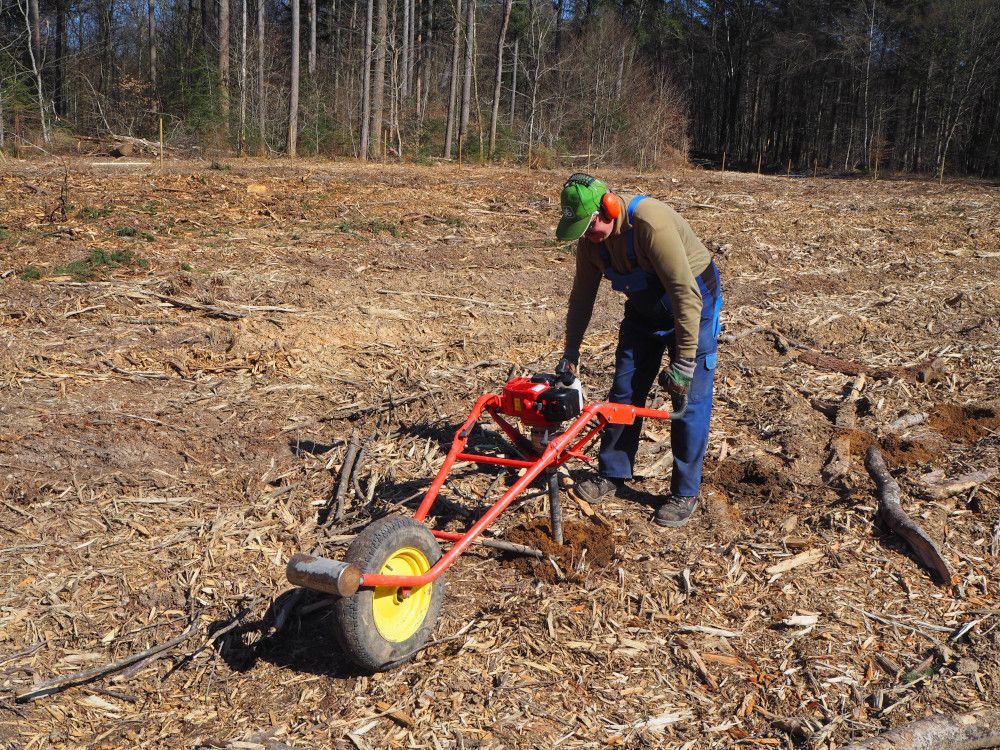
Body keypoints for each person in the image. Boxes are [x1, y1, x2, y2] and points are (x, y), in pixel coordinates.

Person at [553, 173, 722, 527]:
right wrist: (571, 352)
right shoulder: (591, 243)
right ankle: (613, 472)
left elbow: (684, 295)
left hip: (693, 305)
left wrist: (685, 362)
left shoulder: (650, 225)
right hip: (643, 311)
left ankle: (684, 492)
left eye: (589, 226)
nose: (585, 236)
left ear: (609, 208)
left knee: (687, 400)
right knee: (623, 392)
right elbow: (582, 299)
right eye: (579, 229)